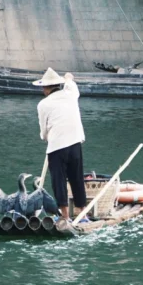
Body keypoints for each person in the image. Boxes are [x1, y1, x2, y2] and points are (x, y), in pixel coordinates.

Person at [34, 67, 88, 225]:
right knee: (76, 178)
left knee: (59, 180)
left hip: (57, 146)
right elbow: (71, 84)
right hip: (75, 141)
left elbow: (43, 131)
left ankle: (65, 215)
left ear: (46, 88)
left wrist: (44, 137)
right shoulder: (71, 95)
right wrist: (69, 78)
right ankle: (82, 213)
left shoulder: (43, 104)